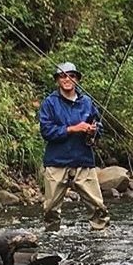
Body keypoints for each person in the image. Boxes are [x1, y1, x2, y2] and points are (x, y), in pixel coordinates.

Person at [38, 61, 110, 232]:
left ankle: (101, 235)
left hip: (83, 160)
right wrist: (73, 129)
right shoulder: (49, 103)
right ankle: (51, 237)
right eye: (62, 76)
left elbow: (99, 127)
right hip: (56, 161)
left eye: (71, 75)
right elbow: (46, 131)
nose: (67, 79)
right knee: (50, 209)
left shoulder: (87, 102)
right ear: (57, 80)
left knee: (97, 206)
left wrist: (93, 131)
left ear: (77, 79)